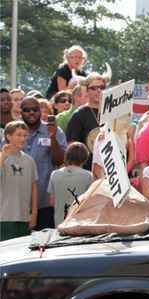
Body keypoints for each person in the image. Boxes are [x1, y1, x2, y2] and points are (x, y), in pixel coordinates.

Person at [8, 97, 67, 230]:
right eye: (26, 110)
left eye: (34, 109)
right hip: (17, 203)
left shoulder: (53, 130)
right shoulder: (11, 132)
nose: (31, 113)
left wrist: (52, 137)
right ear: (20, 112)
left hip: (44, 202)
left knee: (43, 245)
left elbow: (60, 161)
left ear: (40, 111)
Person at [0, 121, 37, 240]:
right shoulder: (1, 157)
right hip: (4, 217)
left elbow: (34, 187)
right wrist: (3, 157)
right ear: (8, 136)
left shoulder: (29, 160)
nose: (23, 138)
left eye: (25, 135)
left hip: (23, 216)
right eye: (19, 135)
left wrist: (34, 213)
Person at [66, 73, 107, 168]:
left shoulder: (112, 112)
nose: (99, 91)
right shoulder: (79, 114)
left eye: (102, 87)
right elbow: (72, 145)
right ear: (87, 91)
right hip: (87, 168)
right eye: (94, 88)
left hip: (109, 167)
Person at [47, 142, 93, 226]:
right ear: (85, 158)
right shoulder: (89, 176)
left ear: (67, 156)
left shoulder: (55, 174)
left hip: (60, 224)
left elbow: (52, 201)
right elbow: (90, 203)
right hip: (80, 224)